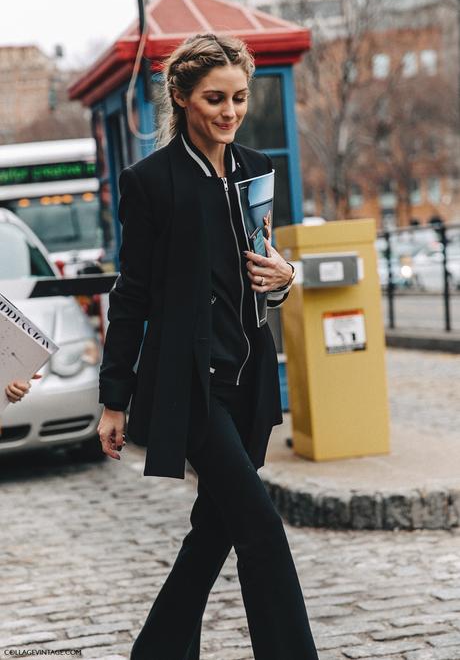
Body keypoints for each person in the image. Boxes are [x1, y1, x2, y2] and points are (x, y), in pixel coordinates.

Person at [97, 33, 319, 660]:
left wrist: (287, 279)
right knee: (260, 528)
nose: (230, 111)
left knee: (213, 529)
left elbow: (263, 274)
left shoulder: (255, 170)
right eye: (215, 98)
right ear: (181, 96)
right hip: (190, 386)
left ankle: (158, 651)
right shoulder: (150, 183)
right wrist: (114, 398)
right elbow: (131, 295)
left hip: (249, 381)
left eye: (240, 98)